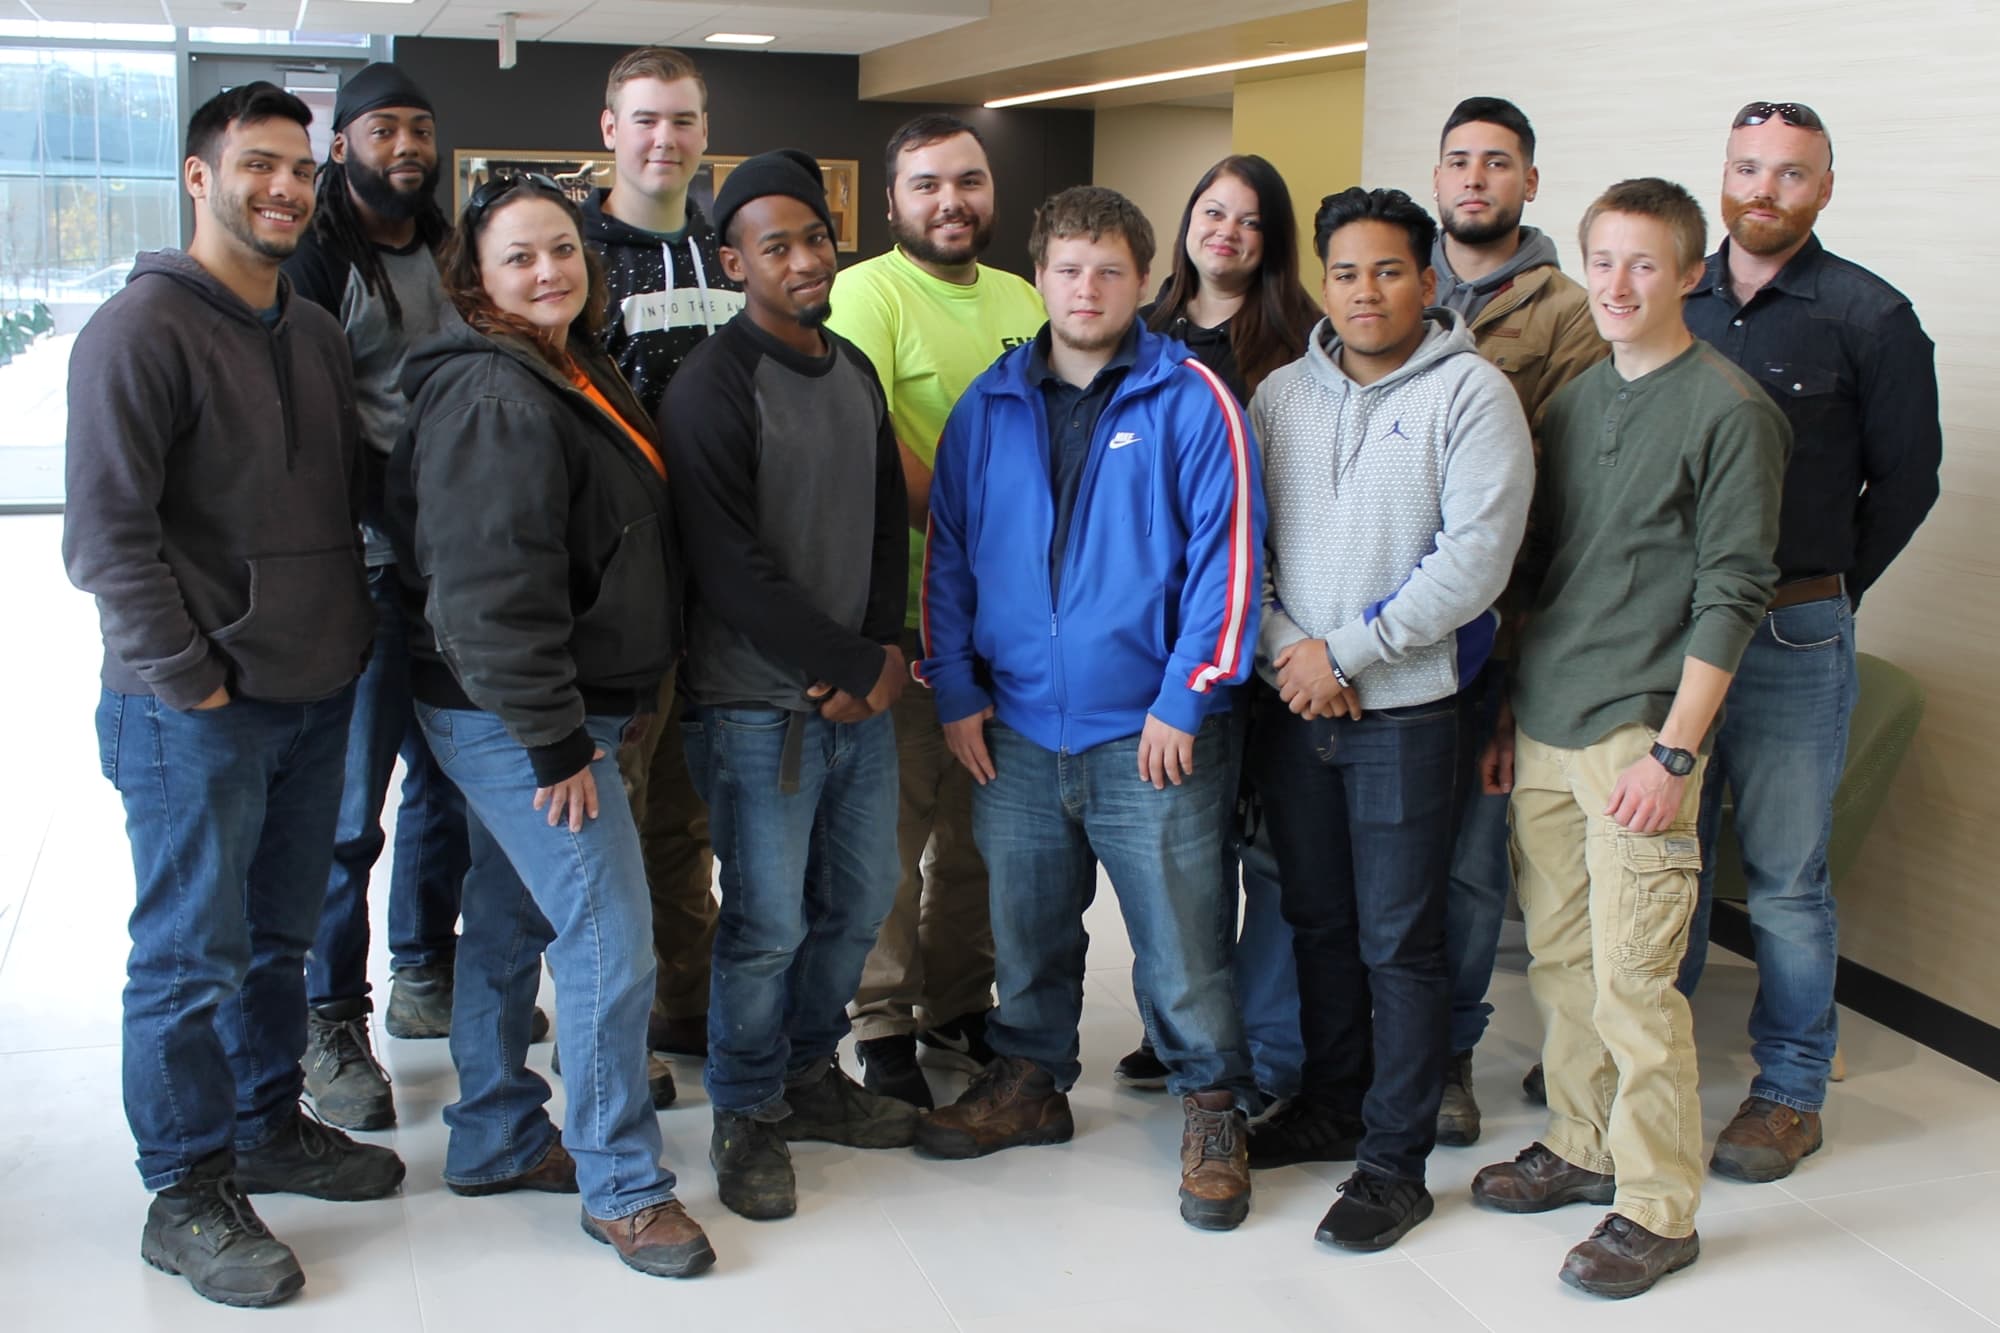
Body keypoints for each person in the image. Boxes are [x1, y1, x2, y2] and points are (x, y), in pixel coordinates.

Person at [64, 82, 405, 1310]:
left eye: (300, 169)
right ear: (199, 177)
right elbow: (106, 541)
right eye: (258, 164)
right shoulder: (139, 331)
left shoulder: (309, 327)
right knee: (188, 958)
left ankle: (268, 1123)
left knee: (279, 938)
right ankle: (186, 1189)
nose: (285, 187)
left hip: (318, 690)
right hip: (193, 712)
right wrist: (192, 679)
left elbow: (355, 493)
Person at [915, 185, 1266, 1233]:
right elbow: (949, 558)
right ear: (1038, 279)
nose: (1086, 288)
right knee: (1024, 927)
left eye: (1109, 270)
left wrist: (1183, 697)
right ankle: (1028, 1081)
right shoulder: (986, 406)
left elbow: (1228, 559)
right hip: (1016, 728)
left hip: (1149, 732)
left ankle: (1211, 1102)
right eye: (1067, 269)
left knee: (1180, 937)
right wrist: (958, 687)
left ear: (1142, 282)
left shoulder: (1192, 398)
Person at [387, 172, 714, 1280]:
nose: (547, 272)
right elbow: (486, 596)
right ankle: (622, 1183)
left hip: (541, 706)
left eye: (563, 251)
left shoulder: (564, 363)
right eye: (520, 256)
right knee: (608, 937)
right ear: (474, 277)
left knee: (512, 917)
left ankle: (491, 1134)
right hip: (518, 715)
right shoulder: (496, 394)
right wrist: (553, 739)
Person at [1474, 178, 1787, 1299]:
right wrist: (1509, 707)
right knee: (1559, 966)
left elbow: (1731, 590)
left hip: (1637, 736)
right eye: (1600, 259)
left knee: (1634, 985)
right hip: (1548, 718)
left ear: (1689, 274)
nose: (1614, 284)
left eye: (1642, 263)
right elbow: (1543, 570)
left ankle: (1655, 1205)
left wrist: (1673, 752)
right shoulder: (1571, 403)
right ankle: (1578, 1141)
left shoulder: (1730, 409)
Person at [1244, 186, 1532, 1252]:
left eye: (1388, 271)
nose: (1365, 291)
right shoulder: (1279, 394)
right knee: (1314, 919)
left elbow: (1473, 561)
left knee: (1398, 942)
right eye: (1346, 271)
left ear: (1426, 280)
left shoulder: (1473, 394)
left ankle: (1391, 1161)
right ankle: (1329, 1104)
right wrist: (1290, 654)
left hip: (1405, 712)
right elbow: (1249, 548)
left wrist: (1345, 653)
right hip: (1294, 704)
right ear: (1323, 280)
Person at [1680, 101, 1942, 1183]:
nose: (1763, 191)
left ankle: (1786, 1089)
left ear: (1822, 190)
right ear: (1722, 175)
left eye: (1789, 175)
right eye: (1746, 169)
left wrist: (1828, 591)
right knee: (1666, 862)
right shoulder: (1671, 298)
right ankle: (1639, 1060)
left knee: (1785, 881)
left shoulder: (1868, 316)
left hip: (1793, 631)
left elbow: (1907, 481)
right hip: (1672, 634)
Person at [660, 150, 917, 1222]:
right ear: (733, 262)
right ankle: (748, 1106)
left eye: (816, 239)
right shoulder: (709, 388)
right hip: (755, 704)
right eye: (778, 246)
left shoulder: (850, 367)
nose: (806, 260)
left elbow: (876, 527)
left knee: (856, 899)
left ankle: (810, 1071)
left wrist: (886, 645)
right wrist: (848, 664)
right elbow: (728, 569)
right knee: (764, 920)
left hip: (853, 695)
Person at [827, 113, 1047, 1109]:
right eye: (925, 184)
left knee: (978, 829)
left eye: (966, 180)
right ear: (891, 202)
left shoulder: (1021, 296)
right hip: (914, 615)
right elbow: (867, 440)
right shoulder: (866, 293)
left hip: (1018, 622)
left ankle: (961, 1001)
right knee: (893, 830)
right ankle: (882, 1021)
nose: (949, 200)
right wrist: (976, 531)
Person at [280, 61, 481, 1133]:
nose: (405, 144)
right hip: (366, 565)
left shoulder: (452, 257)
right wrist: (400, 519)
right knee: (350, 812)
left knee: (448, 789)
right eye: (381, 129)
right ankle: (330, 1019)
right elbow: (320, 425)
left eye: (419, 128)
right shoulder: (318, 265)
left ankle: (421, 970)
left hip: (457, 569)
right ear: (343, 144)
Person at [1115, 152, 1322, 1102]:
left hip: (1270, 634)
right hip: (1168, 642)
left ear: (1270, 241)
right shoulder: (1138, 331)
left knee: (1266, 856)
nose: (1227, 232)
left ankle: (1263, 1055)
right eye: (1213, 210)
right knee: (1180, 860)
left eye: (1249, 220)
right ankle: (1180, 1031)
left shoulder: (1298, 344)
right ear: (1188, 218)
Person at [1426, 96, 1606, 1143]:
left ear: (1528, 182)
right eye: (1457, 161)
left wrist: (1520, 644)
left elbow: (1567, 496)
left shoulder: (1567, 312)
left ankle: (1449, 1049)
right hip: (1373, 625)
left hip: (1497, 625)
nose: (1475, 180)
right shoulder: (1392, 281)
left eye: (1497, 163)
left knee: (1464, 859)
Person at [583, 45, 746, 1079]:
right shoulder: (577, 255)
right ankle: (612, 1025)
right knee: (610, 820)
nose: (664, 139)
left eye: (681, 121)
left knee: (683, 815)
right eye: (645, 119)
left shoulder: (723, 251)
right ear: (609, 129)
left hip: (717, 592)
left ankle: (681, 1000)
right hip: (616, 592)